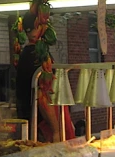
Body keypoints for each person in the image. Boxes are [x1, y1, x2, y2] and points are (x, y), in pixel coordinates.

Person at [15, 10, 75, 142]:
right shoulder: (35, 56)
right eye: (44, 24)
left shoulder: (30, 53)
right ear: (38, 27)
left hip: (37, 124)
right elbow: (42, 97)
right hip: (42, 128)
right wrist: (56, 131)